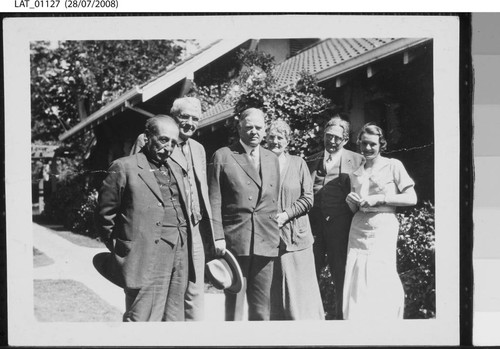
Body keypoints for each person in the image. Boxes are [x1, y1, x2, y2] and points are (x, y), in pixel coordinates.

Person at [130, 97, 225, 321]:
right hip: (164, 229)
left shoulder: (198, 149)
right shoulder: (149, 140)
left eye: (195, 118)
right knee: (158, 292)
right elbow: (134, 182)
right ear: (173, 117)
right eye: (184, 117)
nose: (190, 123)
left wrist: (213, 233)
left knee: (194, 291)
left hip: (194, 229)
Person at [97, 115, 194, 321]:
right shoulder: (124, 167)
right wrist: (123, 249)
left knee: (174, 319)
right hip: (147, 254)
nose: (168, 147)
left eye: (173, 143)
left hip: (180, 252)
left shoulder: (176, 169)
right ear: (147, 136)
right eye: (163, 140)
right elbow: (105, 216)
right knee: (141, 319)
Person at [208, 108, 280, 321]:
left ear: (265, 130)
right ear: (239, 127)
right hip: (235, 239)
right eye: (249, 127)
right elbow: (214, 200)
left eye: (259, 127)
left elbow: (272, 200)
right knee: (235, 307)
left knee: (261, 308)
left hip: (265, 240)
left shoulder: (271, 158)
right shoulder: (223, 155)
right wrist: (218, 236)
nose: (254, 132)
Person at [343, 123, 417, 319]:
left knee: (380, 272)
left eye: (372, 144)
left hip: (383, 226)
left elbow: (412, 198)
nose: (367, 148)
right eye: (364, 143)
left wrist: (381, 198)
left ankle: (384, 321)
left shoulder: (393, 165)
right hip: (358, 229)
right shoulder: (355, 173)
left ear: (381, 144)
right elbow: (356, 209)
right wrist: (351, 202)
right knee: (357, 275)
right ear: (359, 143)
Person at [265, 120, 325, 320]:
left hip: (298, 237)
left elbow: (308, 198)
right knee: (277, 291)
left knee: (302, 291)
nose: (275, 141)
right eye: (272, 137)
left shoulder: (299, 163)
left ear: (288, 141)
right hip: (272, 238)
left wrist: (285, 215)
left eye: (280, 137)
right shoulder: (261, 165)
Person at [307, 116, 364, 319]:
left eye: (337, 138)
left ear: (345, 140)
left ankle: (340, 320)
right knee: (309, 275)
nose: (331, 141)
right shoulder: (311, 160)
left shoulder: (357, 160)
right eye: (328, 136)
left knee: (340, 275)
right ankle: (312, 318)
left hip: (342, 230)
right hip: (314, 230)